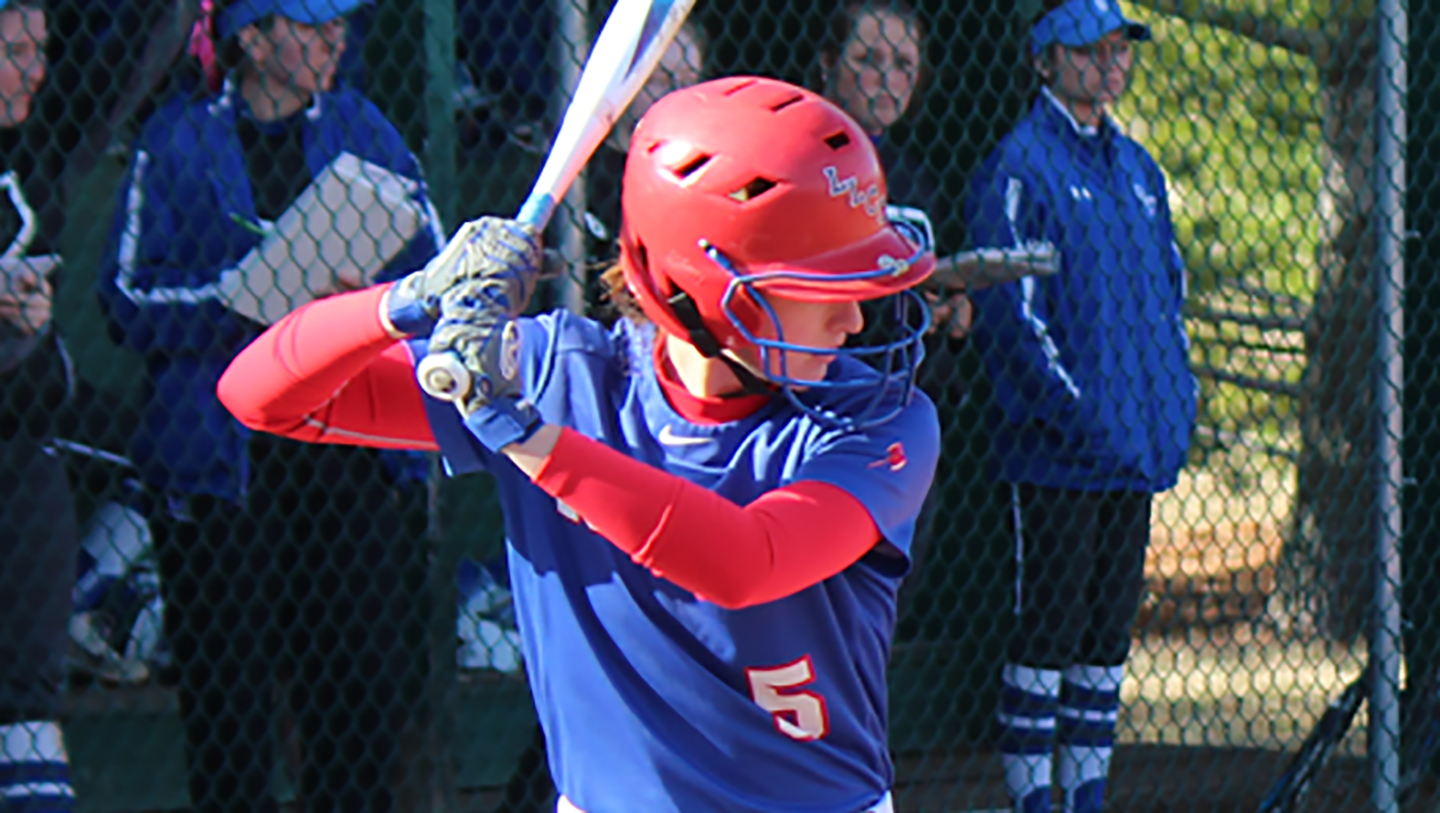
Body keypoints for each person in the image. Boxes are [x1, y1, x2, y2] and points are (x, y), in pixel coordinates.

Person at [218, 76, 940, 813]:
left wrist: (526, 437)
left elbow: (743, 562)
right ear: (697, 283)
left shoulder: (881, 418)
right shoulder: (557, 376)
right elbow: (258, 395)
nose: (853, 319)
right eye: (817, 287)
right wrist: (408, 299)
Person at [94, 1, 445, 810]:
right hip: (227, 464)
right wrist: (240, 300)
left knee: (358, 698)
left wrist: (369, 301)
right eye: (308, 24)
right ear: (250, 38)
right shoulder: (176, 141)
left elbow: (429, 266)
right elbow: (124, 294)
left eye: (339, 26)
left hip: (349, 455)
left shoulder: (362, 126)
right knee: (229, 706)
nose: (334, 41)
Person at [963, 0, 1196, 810]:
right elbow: (1012, 318)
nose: (1108, 63)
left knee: (1106, 635)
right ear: (1045, 60)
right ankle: (1034, 797)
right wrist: (1079, 415)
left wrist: (1175, 406)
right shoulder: (1019, 166)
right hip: (1059, 453)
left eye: (1118, 48)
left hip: (1132, 452)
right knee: (1050, 629)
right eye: (1087, 50)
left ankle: (1084, 792)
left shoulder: (1140, 172)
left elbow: (1170, 298)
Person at [0, 3, 82, 809]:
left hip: (21, 443)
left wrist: (24, 320)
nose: (34, 68)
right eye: (13, 51)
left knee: (29, 684)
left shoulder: (36, 155)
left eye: (39, 50)